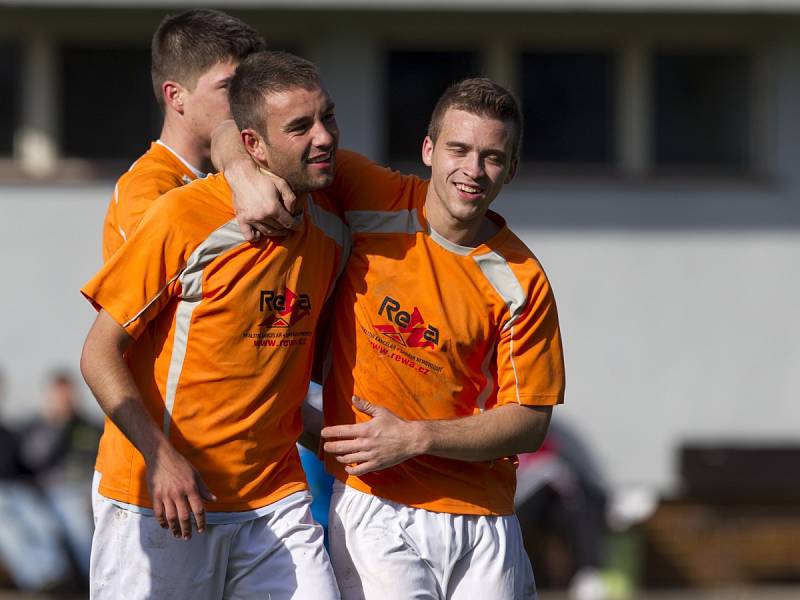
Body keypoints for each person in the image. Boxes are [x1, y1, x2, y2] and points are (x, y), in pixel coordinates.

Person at [217, 77, 565, 600]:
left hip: (486, 518)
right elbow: (234, 127)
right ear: (428, 150)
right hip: (374, 507)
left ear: (511, 169)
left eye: (492, 157)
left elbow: (530, 421)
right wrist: (242, 173)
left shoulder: (523, 278)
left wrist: (415, 437)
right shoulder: (371, 194)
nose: (472, 170)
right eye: (459, 149)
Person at [80, 51, 346, 599]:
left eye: (328, 118)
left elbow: (273, 375)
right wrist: (161, 458)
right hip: (164, 501)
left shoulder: (331, 233)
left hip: (276, 502)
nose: (323, 137)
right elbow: (98, 353)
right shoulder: (179, 214)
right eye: (300, 127)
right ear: (253, 144)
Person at [18, 370, 101, 583]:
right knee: (68, 519)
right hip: (51, 492)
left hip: (86, 489)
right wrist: (57, 427)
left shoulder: (89, 426)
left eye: (69, 394)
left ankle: (91, 577)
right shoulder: (37, 426)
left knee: (80, 514)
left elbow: (99, 462)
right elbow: (33, 461)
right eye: (60, 394)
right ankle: (76, 577)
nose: (65, 400)